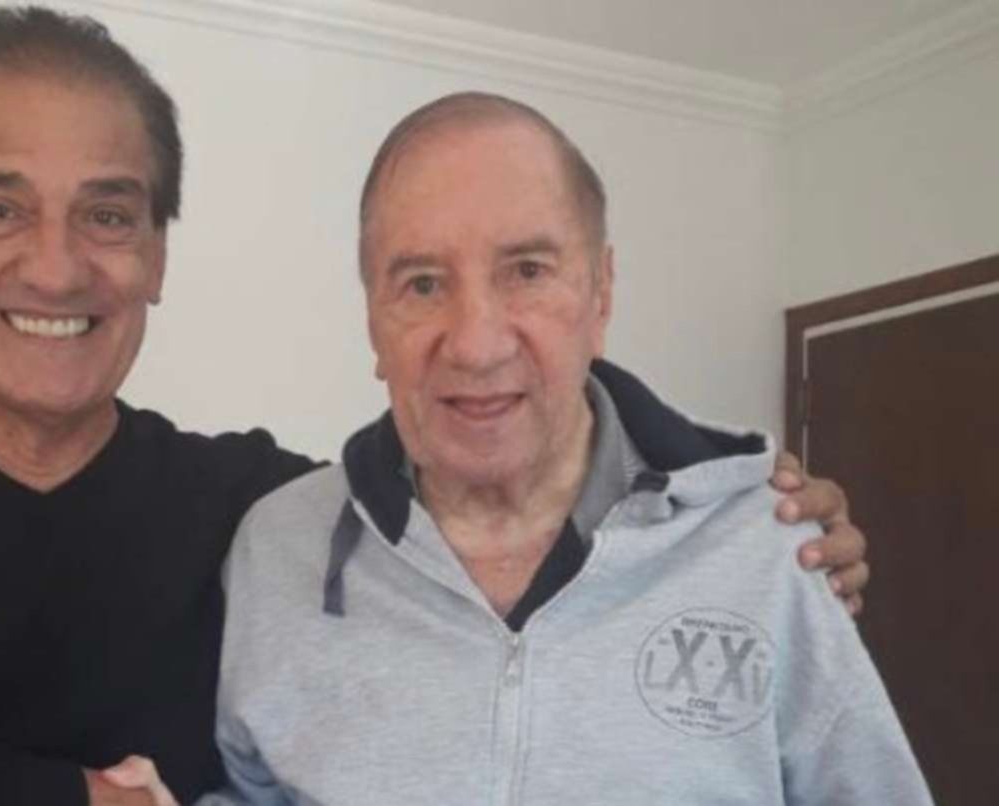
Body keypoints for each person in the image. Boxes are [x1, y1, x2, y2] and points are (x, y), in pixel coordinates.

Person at [0, 8, 867, 806]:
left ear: (156, 254)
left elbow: (477, 484)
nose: (56, 266)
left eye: (109, 213)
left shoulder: (257, 512)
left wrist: (736, 512)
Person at [206, 93, 929, 805]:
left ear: (600, 295)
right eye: (422, 284)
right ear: (373, 322)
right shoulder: (279, 550)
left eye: (526, 271)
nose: (477, 345)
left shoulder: (764, 546)